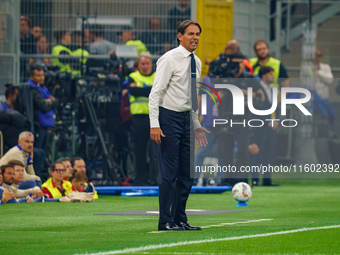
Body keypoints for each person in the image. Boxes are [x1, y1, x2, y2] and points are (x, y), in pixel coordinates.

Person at [149, 20, 209, 231]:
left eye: (198, 34)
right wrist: (154, 124)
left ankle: (180, 219)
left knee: (187, 173)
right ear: (179, 36)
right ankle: (165, 220)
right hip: (168, 118)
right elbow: (155, 93)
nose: (195, 37)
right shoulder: (169, 59)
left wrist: (195, 123)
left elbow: (192, 95)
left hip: (185, 120)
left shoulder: (197, 61)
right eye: (191, 33)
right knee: (169, 172)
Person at [123, 52, 158, 186]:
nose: (145, 66)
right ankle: (140, 180)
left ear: (151, 65)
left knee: (155, 152)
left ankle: (155, 180)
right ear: (137, 66)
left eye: (147, 63)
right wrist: (150, 89)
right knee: (139, 151)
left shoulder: (157, 76)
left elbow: (159, 90)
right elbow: (133, 92)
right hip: (138, 119)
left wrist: (140, 88)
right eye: (142, 64)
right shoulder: (132, 76)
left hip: (155, 119)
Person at [250, 66, 280, 186]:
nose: (272, 77)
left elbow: (277, 107)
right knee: (257, 154)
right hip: (260, 126)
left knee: (269, 154)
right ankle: (255, 180)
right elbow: (255, 109)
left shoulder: (273, 90)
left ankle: (267, 180)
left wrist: (277, 120)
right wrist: (268, 121)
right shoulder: (257, 89)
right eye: (270, 74)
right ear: (264, 75)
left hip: (272, 128)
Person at [28, 64, 58, 150]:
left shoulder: (43, 88)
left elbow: (54, 102)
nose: (42, 78)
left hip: (47, 125)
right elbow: (44, 107)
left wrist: (50, 101)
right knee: (39, 151)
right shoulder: (31, 89)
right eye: (38, 75)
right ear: (31, 76)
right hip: (38, 126)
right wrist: (51, 101)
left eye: (43, 75)